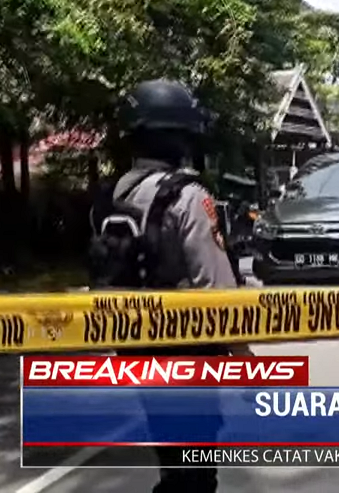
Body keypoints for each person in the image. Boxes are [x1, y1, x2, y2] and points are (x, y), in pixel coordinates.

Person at [90, 79, 252, 493]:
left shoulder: (110, 197)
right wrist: (245, 362)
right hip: (189, 357)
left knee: (173, 459)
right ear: (179, 137)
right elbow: (218, 292)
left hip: (137, 353)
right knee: (196, 472)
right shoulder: (189, 196)